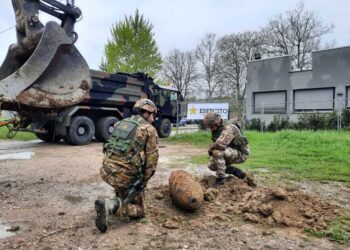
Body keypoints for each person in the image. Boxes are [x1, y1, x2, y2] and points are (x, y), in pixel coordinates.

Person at [95, 98, 159, 233]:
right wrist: (143, 181)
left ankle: (117, 198)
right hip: (124, 177)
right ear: (146, 113)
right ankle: (111, 205)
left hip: (107, 172)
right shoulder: (149, 129)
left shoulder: (120, 123)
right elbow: (152, 161)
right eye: (153, 114)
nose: (154, 118)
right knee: (139, 211)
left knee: (124, 183)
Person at [203, 111, 255, 187]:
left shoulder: (228, 128)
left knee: (217, 153)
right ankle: (237, 172)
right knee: (212, 165)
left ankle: (221, 179)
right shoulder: (217, 129)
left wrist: (210, 149)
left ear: (217, 122)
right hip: (231, 151)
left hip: (241, 153)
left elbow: (220, 145)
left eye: (211, 126)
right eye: (209, 127)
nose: (211, 129)